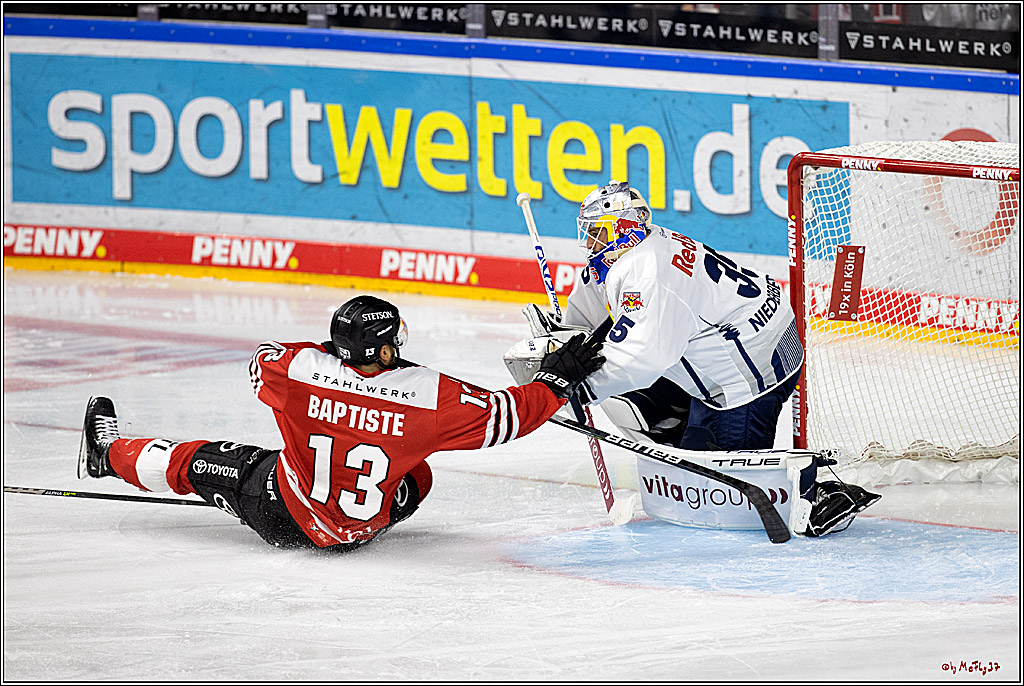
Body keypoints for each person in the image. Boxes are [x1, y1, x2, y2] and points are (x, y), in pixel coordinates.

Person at [78, 294, 604, 551]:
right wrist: (555, 381)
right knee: (417, 470)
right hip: (367, 523)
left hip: (284, 514)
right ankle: (358, 519)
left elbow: (261, 362)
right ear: (384, 347)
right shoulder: (429, 395)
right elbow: (507, 417)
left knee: (202, 459)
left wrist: (331, 359)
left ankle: (108, 457)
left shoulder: (300, 369)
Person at [523, 180, 878, 536]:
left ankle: (814, 498)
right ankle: (687, 427)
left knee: (721, 495)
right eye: (587, 232)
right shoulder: (621, 256)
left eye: (597, 232)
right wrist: (562, 340)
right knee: (658, 425)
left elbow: (642, 358)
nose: (589, 243)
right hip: (746, 338)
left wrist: (572, 389)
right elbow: (586, 324)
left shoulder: (646, 271)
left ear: (623, 228)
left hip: (754, 366)